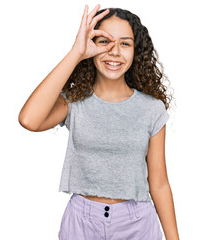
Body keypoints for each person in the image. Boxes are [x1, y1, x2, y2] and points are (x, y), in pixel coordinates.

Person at [18, 4, 179, 240]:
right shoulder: (73, 101)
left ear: (136, 51)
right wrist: (76, 52)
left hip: (137, 223)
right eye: (104, 41)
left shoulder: (151, 109)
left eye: (125, 43)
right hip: (81, 222)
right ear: (91, 46)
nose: (115, 51)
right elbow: (29, 120)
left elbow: (159, 183)